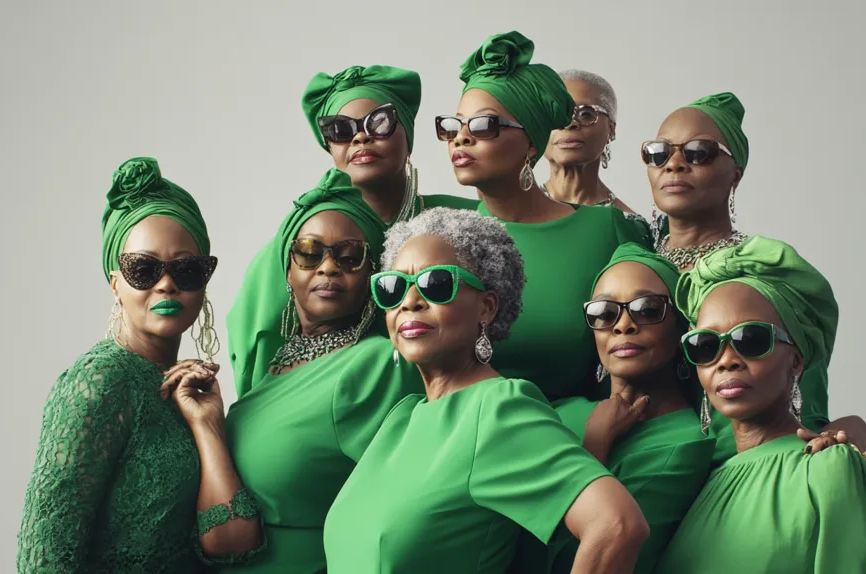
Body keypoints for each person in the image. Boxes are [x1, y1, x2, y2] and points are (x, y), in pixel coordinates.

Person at [323, 208, 650, 573]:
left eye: (435, 285)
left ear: (487, 307)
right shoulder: (401, 418)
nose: (409, 302)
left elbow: (617, 526)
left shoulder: (497, 409)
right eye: (393, 287)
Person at [18, 158, 261, 572]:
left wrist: (206, 426)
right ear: (115, 284)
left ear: (204, 282)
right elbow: (45, 556)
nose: (166, 284)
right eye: (143, 269)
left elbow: (234, 547)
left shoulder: (186, 389)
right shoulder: (100, 381)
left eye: (186, 269)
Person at [654, 235, 866, 573]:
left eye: (751, 339)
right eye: (706, 344)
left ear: (796, 361)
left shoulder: (828, 469)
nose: (725, 360)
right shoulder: (705, 484)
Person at [643, 92, 866, 463]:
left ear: (736, 172)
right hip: (634, 464)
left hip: (735, 460)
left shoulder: (763, 268)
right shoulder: (631, 264)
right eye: (658, 152)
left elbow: (802, 394)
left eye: (698, 152)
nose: (673, 164)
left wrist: (848, 431)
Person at [217, 169, 424, 573]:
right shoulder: (277, 363)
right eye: (310, 253)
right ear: (288, 271)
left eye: (349, 256)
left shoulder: (378, 363)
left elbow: (403, 512)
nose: (328, 268)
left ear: (371, 275)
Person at [227, 65, 478, 397]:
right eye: (341, 130)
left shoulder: (462, 222)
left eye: (380, 122)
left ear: (409, 134)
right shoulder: (291, 253)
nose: (361, 137)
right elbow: (260, 380)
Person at [440, 31, 652, 401]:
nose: (461, 138)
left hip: (578, 437)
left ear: (532, 142)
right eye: (454, 126)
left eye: (484, 125)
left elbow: (645, 354)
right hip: (464, 435)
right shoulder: (443, 238)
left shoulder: (608, 232)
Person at [517, 243, 714, 574]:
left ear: (681, 326)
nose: (623, 325)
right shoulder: (556, 413)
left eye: (648, 309)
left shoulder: (687, 444)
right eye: (604, 312)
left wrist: (594, 443)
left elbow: (563, 553)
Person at [541, 69, 638, 215]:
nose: (569, 123)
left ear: (611, 129)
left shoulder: (628, 225)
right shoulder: (509, 215)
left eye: (586, 114)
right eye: (555, 112)